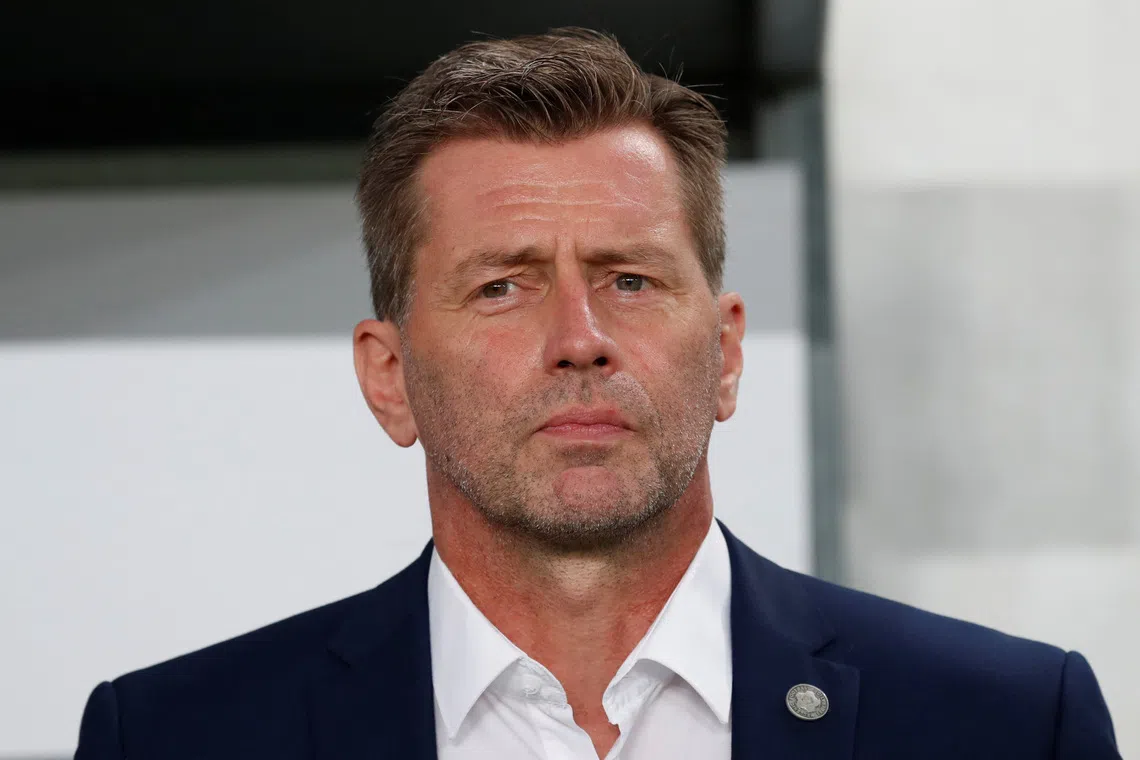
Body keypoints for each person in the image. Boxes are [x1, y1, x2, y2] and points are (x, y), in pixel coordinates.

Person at [75, 28, 1121, 760]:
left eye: (630, 278)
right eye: (502, 286)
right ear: (387, 379)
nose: (579, 339)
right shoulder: (175, 738)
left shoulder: (1010, 726)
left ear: (725, 352)